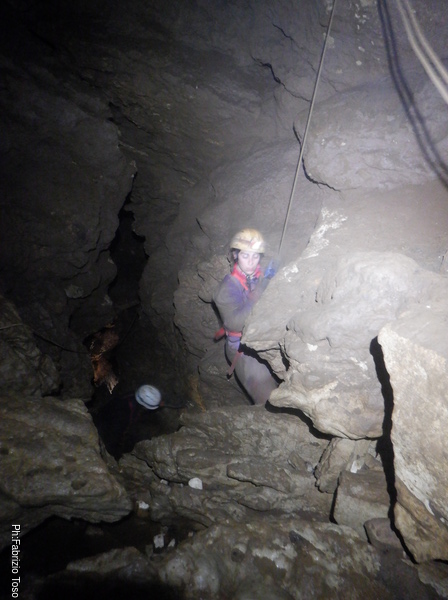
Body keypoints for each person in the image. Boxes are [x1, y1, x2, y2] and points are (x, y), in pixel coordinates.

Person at [213, 228, 278, 405]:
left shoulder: (261, 275)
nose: (251, 262)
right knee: (268, 401)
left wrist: (273, 279)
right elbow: (234, 324)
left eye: (255, 256)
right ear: (236, 255)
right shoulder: (227, 288)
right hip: (243, 350)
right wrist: (256, 297)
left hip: (265, 337)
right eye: (245, 256)